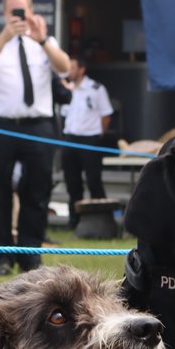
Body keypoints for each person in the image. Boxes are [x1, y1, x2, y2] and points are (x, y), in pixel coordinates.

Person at [0, 0, 70, 275]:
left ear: (31, 12)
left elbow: (63, 67)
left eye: (22, 11)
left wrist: (41, 39)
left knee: (37, 192)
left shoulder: (44, 42)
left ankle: (30, 256)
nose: (18, 17)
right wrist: (3, 38)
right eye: (12, 12)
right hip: (0, 125)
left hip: (37, 123)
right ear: (4, 15)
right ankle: (2, 256)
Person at [58, 55, 114, 229]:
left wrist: (98, 135)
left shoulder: (96, 89)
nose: (69, 72)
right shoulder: (67, 90)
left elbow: (106, 115)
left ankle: (103, 221)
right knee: (72, 183)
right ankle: (74, 221)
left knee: (94, 181)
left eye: (72, 68)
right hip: (70, 139)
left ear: (82, 69)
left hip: (89, 139)